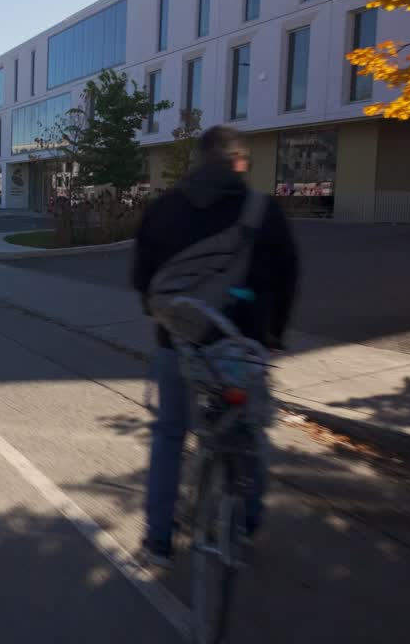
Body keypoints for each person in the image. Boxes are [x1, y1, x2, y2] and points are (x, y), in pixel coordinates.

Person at [131, 125, 299, 566]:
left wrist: (166, 319)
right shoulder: (262, 210)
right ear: (239, 161)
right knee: (247, 430)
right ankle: (248, 519)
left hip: (178, 343)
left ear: (198, 161)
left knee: (170, 434)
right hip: (239, 346)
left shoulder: (164, 209)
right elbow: (287, 276)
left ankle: (159, 540)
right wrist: (274, 334)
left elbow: (140, 280)